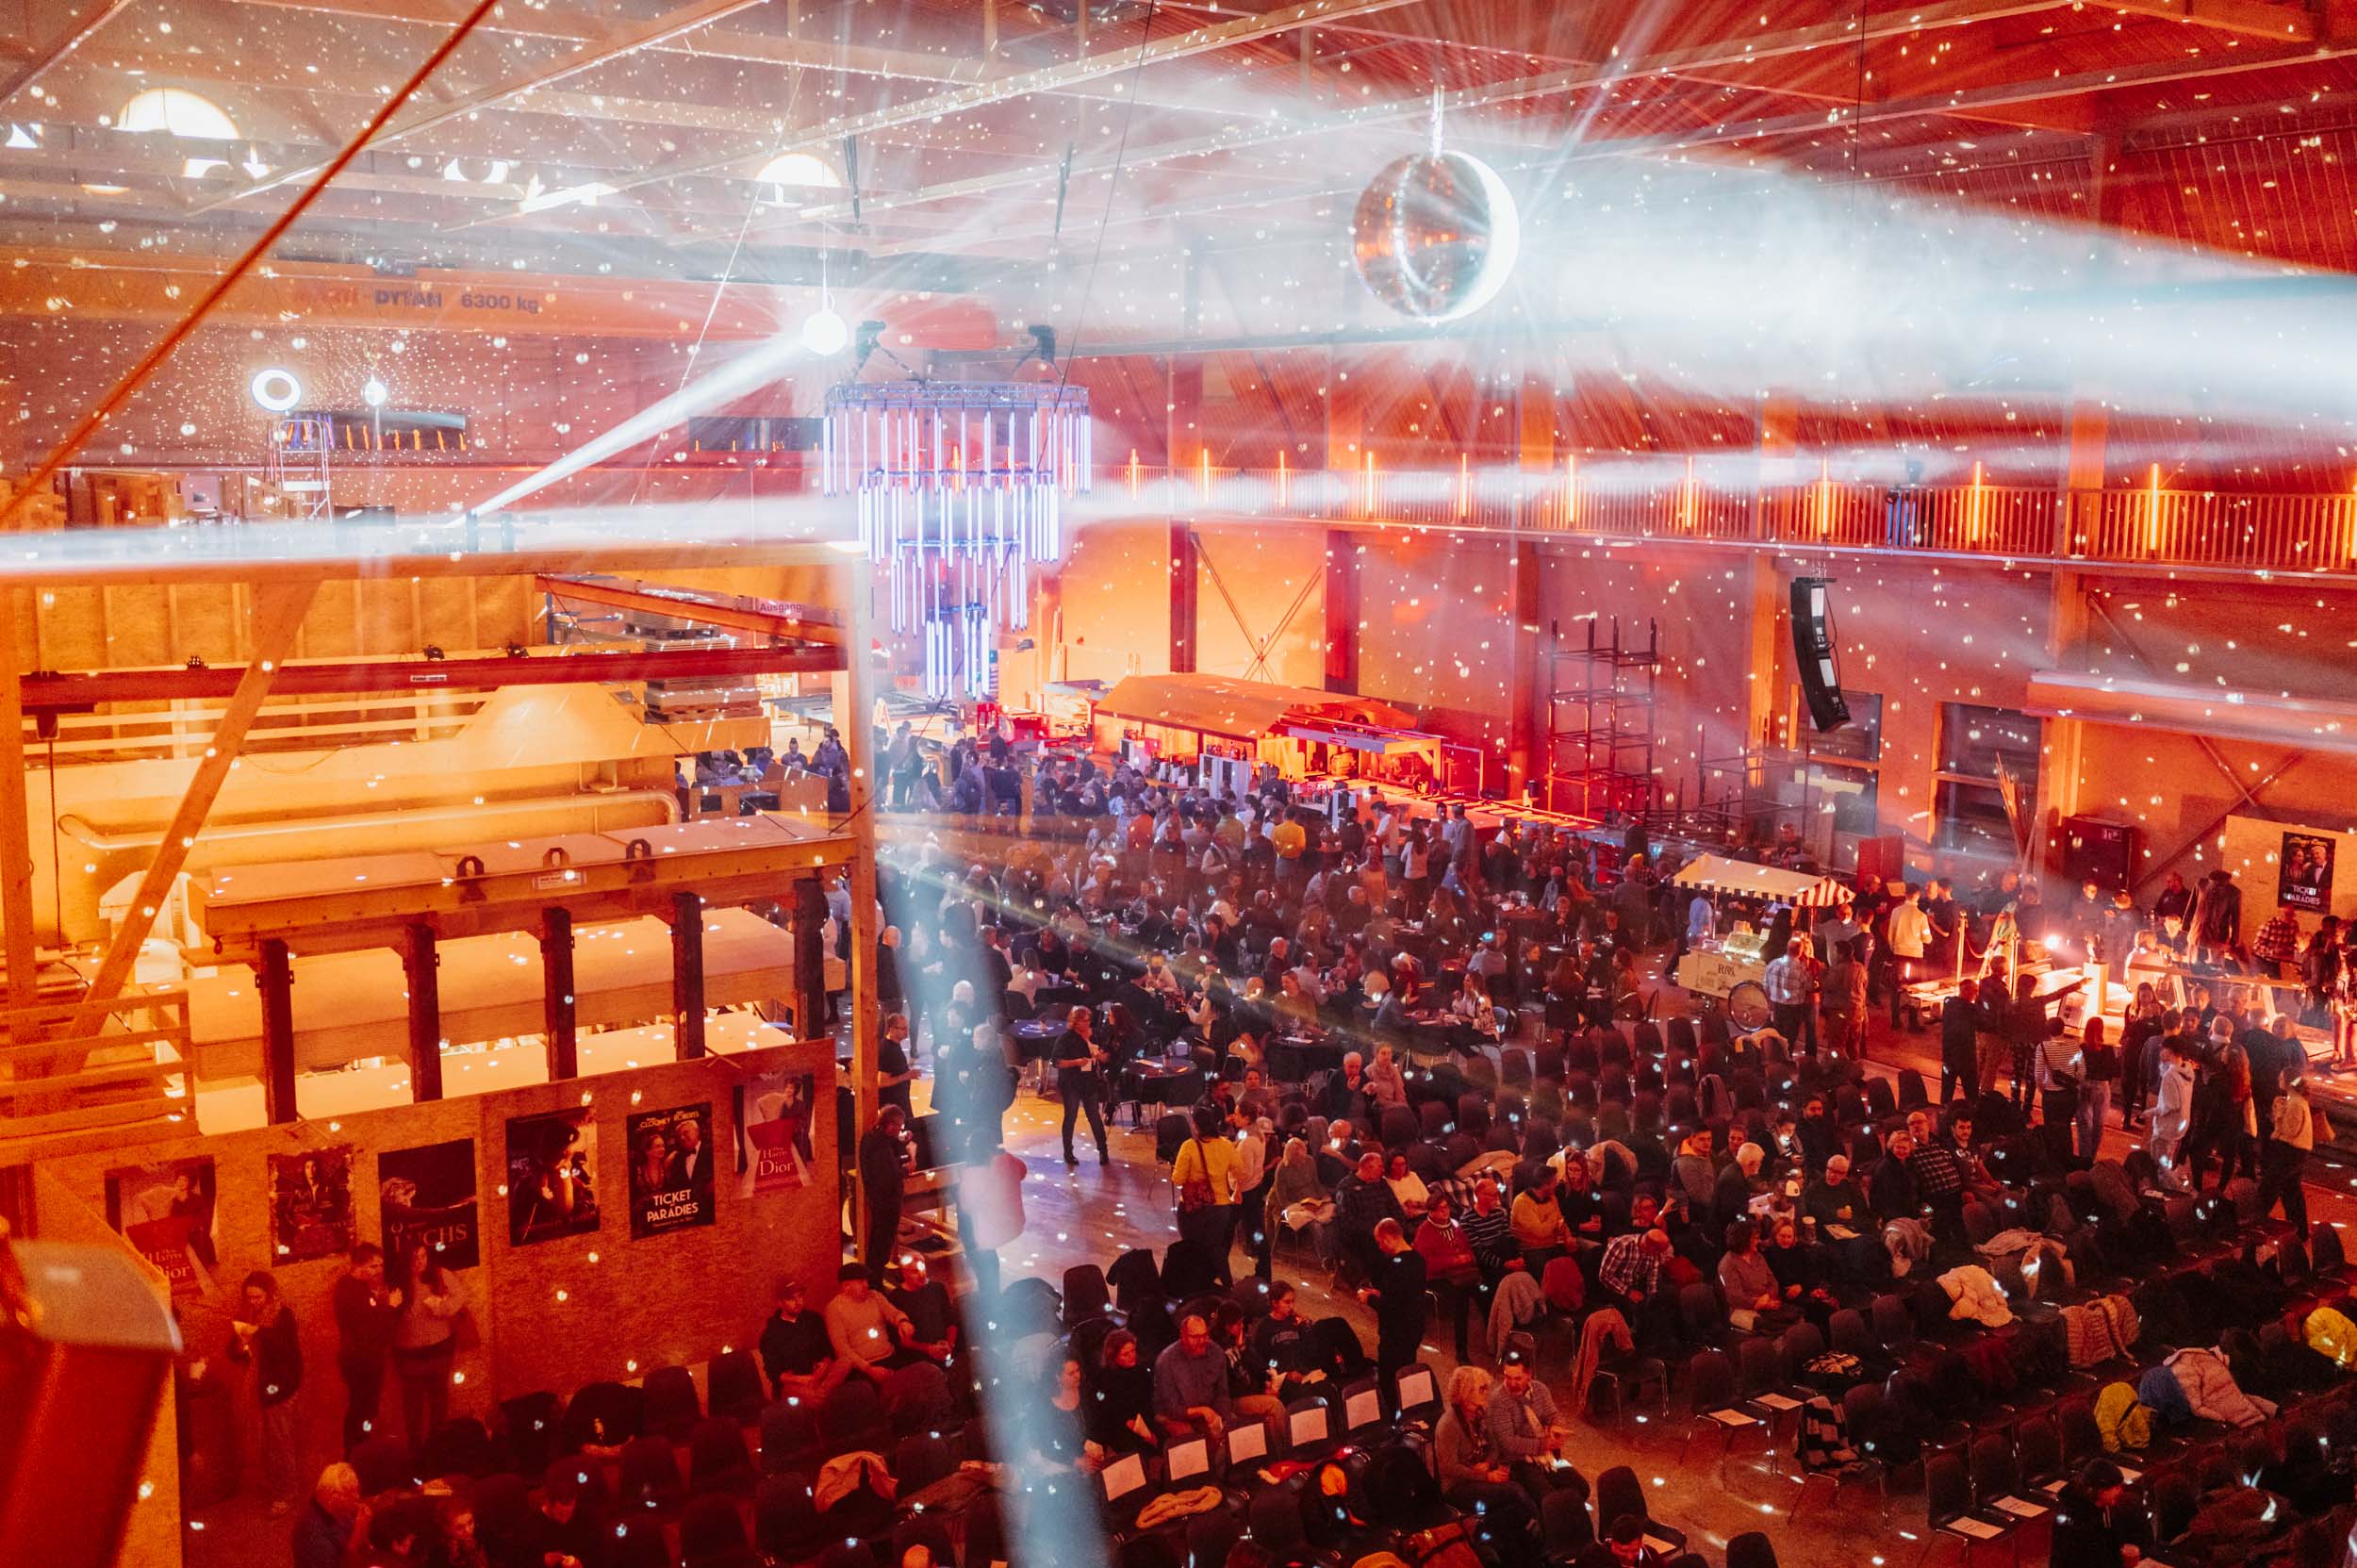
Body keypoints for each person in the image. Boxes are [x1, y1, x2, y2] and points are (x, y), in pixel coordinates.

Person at [228, 1270, 304, 1515]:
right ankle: (275, 1482)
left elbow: (285, 1348)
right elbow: (233, 1353)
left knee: (281, 1443)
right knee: (267, 1442)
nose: (253, 1302)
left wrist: (257, 1332)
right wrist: (241, 1345)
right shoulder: (247, 1315)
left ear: (269, 1295)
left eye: (258, 1297)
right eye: (249, 1297)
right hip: (258, 1388)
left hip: (280, 1388)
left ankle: (286, 1493)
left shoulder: (282, 1315)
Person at [388, 1240, 465, 1448]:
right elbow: (387, 1316)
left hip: (439, 1344)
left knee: (439, 1399)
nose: (420, 1262)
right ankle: (416, 1447)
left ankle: (437, 1444)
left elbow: (460, 1296)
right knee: (412, 1404)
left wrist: (444, 1307)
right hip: (409, 1350)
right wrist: (392, 1307)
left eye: (423, 1256)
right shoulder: (397, 1281)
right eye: (415, 1258)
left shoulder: (439, 1275)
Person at [331, 1243, 401, 1453]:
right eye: (373, 1266)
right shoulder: (351, 1291)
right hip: (361, 1362)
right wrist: (391, 1307)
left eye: (380, 1265)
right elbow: (370, 1329)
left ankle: (358, 1452)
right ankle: (357, 1454)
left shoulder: (356, 1287)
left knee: (363, 1410)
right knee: (363, 1411)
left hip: (361, 1359)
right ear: (357, 1266)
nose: (378, 1270)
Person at [1359, 1218, 1429, 1416]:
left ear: (1388, 1238)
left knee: (1388, 1379)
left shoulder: (1395, 1267)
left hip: (1396, 1332)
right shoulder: (1418, 1260)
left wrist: (1368, 1299)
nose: (1380, 1247)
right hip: (1414, 1328)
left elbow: (1390, 1306)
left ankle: (1391, 1418)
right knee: (1406, 1373)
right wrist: (1381, 1294)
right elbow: (1403, 1295)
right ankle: (1407, 1413)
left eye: (1380, 1242)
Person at [1171, 1103, 1243, 1287]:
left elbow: (1178, 1179)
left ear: (1195, 1125)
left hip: (1193, 1207)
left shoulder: (1189, 1146)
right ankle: (1227, 1285)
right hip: (1221, 1207)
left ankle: (1193, 1285)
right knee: (1215, 1247)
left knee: (1190, 1247)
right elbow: (1240, 1170)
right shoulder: (1226, 1145)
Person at [1414, 1190, 1483, 1361]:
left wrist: (1467, 1258)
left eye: (1446, 1207)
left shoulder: (1454, 1225)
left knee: (1486, 1292)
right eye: (1440, 1209)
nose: (1445, 1211)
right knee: (1461, 1299)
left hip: (1462, 1274)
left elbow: (1467, 1249)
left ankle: (1494, 1339)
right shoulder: (1425, 1231)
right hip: (1438, 1278)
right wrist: (1455, 1260)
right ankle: (1461, 1352)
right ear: (1431, 1211)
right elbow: (1426, 1264)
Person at [824, 1263, 915, 1384]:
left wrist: (903, 1322)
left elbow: (893, 1313)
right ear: (847, 1287)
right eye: (861, 1282)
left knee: (918, 1377)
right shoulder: (834, 1309)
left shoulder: (875, 1296)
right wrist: (868, 1369)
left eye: (866, 1280)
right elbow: (841, 1348)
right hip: (862, 1366)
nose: (866, 1285)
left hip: (889, 1357)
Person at [2050, 1459, 2151, 1568]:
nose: (2121, 1491)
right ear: (2101, 1491)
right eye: (2116, 1488)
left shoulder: (2102, 1507)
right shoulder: (2075, 1523)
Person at [1152, 1312, 1233, 1444]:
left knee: (1232, 1433)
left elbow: (1222, 1393)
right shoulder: (1166, 1361)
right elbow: (1172, 1408)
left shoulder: (1216, 1352)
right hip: (1174, 1416)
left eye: (1204, 1335)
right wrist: (1202, 1411)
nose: (1202, 1341)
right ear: (1183, 1336)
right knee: (1193, 1441)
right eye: (1195, 1337)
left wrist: (1223, 1420)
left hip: (1207, 1411)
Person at [758, 1276, 842, 1401]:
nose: (798, 1302)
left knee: (845, 1362)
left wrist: (825, 1363)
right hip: (794, 1383)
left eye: (800, 1296)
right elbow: (773, 1373)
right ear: (780, 1303)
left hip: (820, 1376)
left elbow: (828, 1349)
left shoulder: (814, 1319)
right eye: (791, 1299)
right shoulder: (771, 1333)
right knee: (814, 1397)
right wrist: (800, 1379)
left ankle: (820, 1393)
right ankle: (820, 1395)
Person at [2258, 1067, 2313, 1239]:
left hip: (2290, 1151)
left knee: (2269, 1186)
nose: (2278, 1080)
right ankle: (2300, 1231)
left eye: (2281, 1078)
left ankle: (2254, 1221)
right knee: (2291, 1192)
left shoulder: (2295, 1103)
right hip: (2297, 1151)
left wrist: (2278, 1114)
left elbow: (2290, 1131)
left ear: (2289, 1082)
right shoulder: (2295, 1101)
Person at [858, 1104, 909, 1285]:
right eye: (899, 1126)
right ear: (890, 1125)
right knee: (882, 1244)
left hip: (877, 1200)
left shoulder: (872, 1136)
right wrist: (907, 1170)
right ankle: (875, 1283)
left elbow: (889, 1146)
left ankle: (873, 1277)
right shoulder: (880, 1148)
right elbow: (888, 1177)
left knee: (877, 1242)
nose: (900, 1129)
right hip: (886, 1202)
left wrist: (901, 1140)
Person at [1053, 1005, 1110, 1166]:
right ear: (1075, 1022)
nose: (1087, 1023)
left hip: (1089, 1082)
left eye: (1088, 1020)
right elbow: (1057, 1062)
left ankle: (1103, 1150)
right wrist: (1076, 1062)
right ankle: (1068, 1152)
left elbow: (1106, 1057)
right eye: (1083, 1021)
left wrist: (1100, 1056)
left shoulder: (1095, 1035)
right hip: (1071, 1083)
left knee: (1094, 1117)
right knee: (1070, 1117)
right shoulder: (1065, 1039)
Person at [291, 1461, 360, 1568]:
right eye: (351, 1493)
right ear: (335, 1499)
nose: (357, 1497)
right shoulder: (315, 1541)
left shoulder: (329, 1506)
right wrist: (357, 1535)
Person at [875, 1013, 916, 1118]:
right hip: (893, 1105)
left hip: (900, 1101)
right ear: (892, 1029)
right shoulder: (887, 1050)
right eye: (903, 1028)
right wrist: (906, 1076)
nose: (906, 1031)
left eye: (907, 1027)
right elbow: (882, 1082)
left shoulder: (894, 1046)